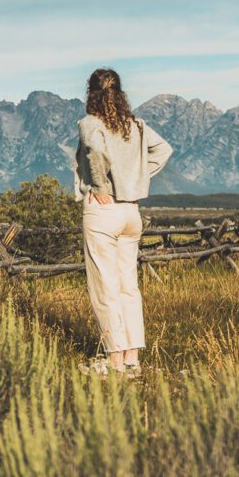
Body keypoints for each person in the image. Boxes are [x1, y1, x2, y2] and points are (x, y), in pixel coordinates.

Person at [73, 68, 173, 374]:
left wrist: (101, 187)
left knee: (105, 285)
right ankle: (132, 356)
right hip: (131, 212)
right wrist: (136, 180)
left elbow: (94, 152)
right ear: (120, 93)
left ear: (91, 93)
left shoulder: (91, 123)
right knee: (129, 286)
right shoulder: (136, 126)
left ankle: (114, 358)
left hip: (103, 211)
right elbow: (164, 150)